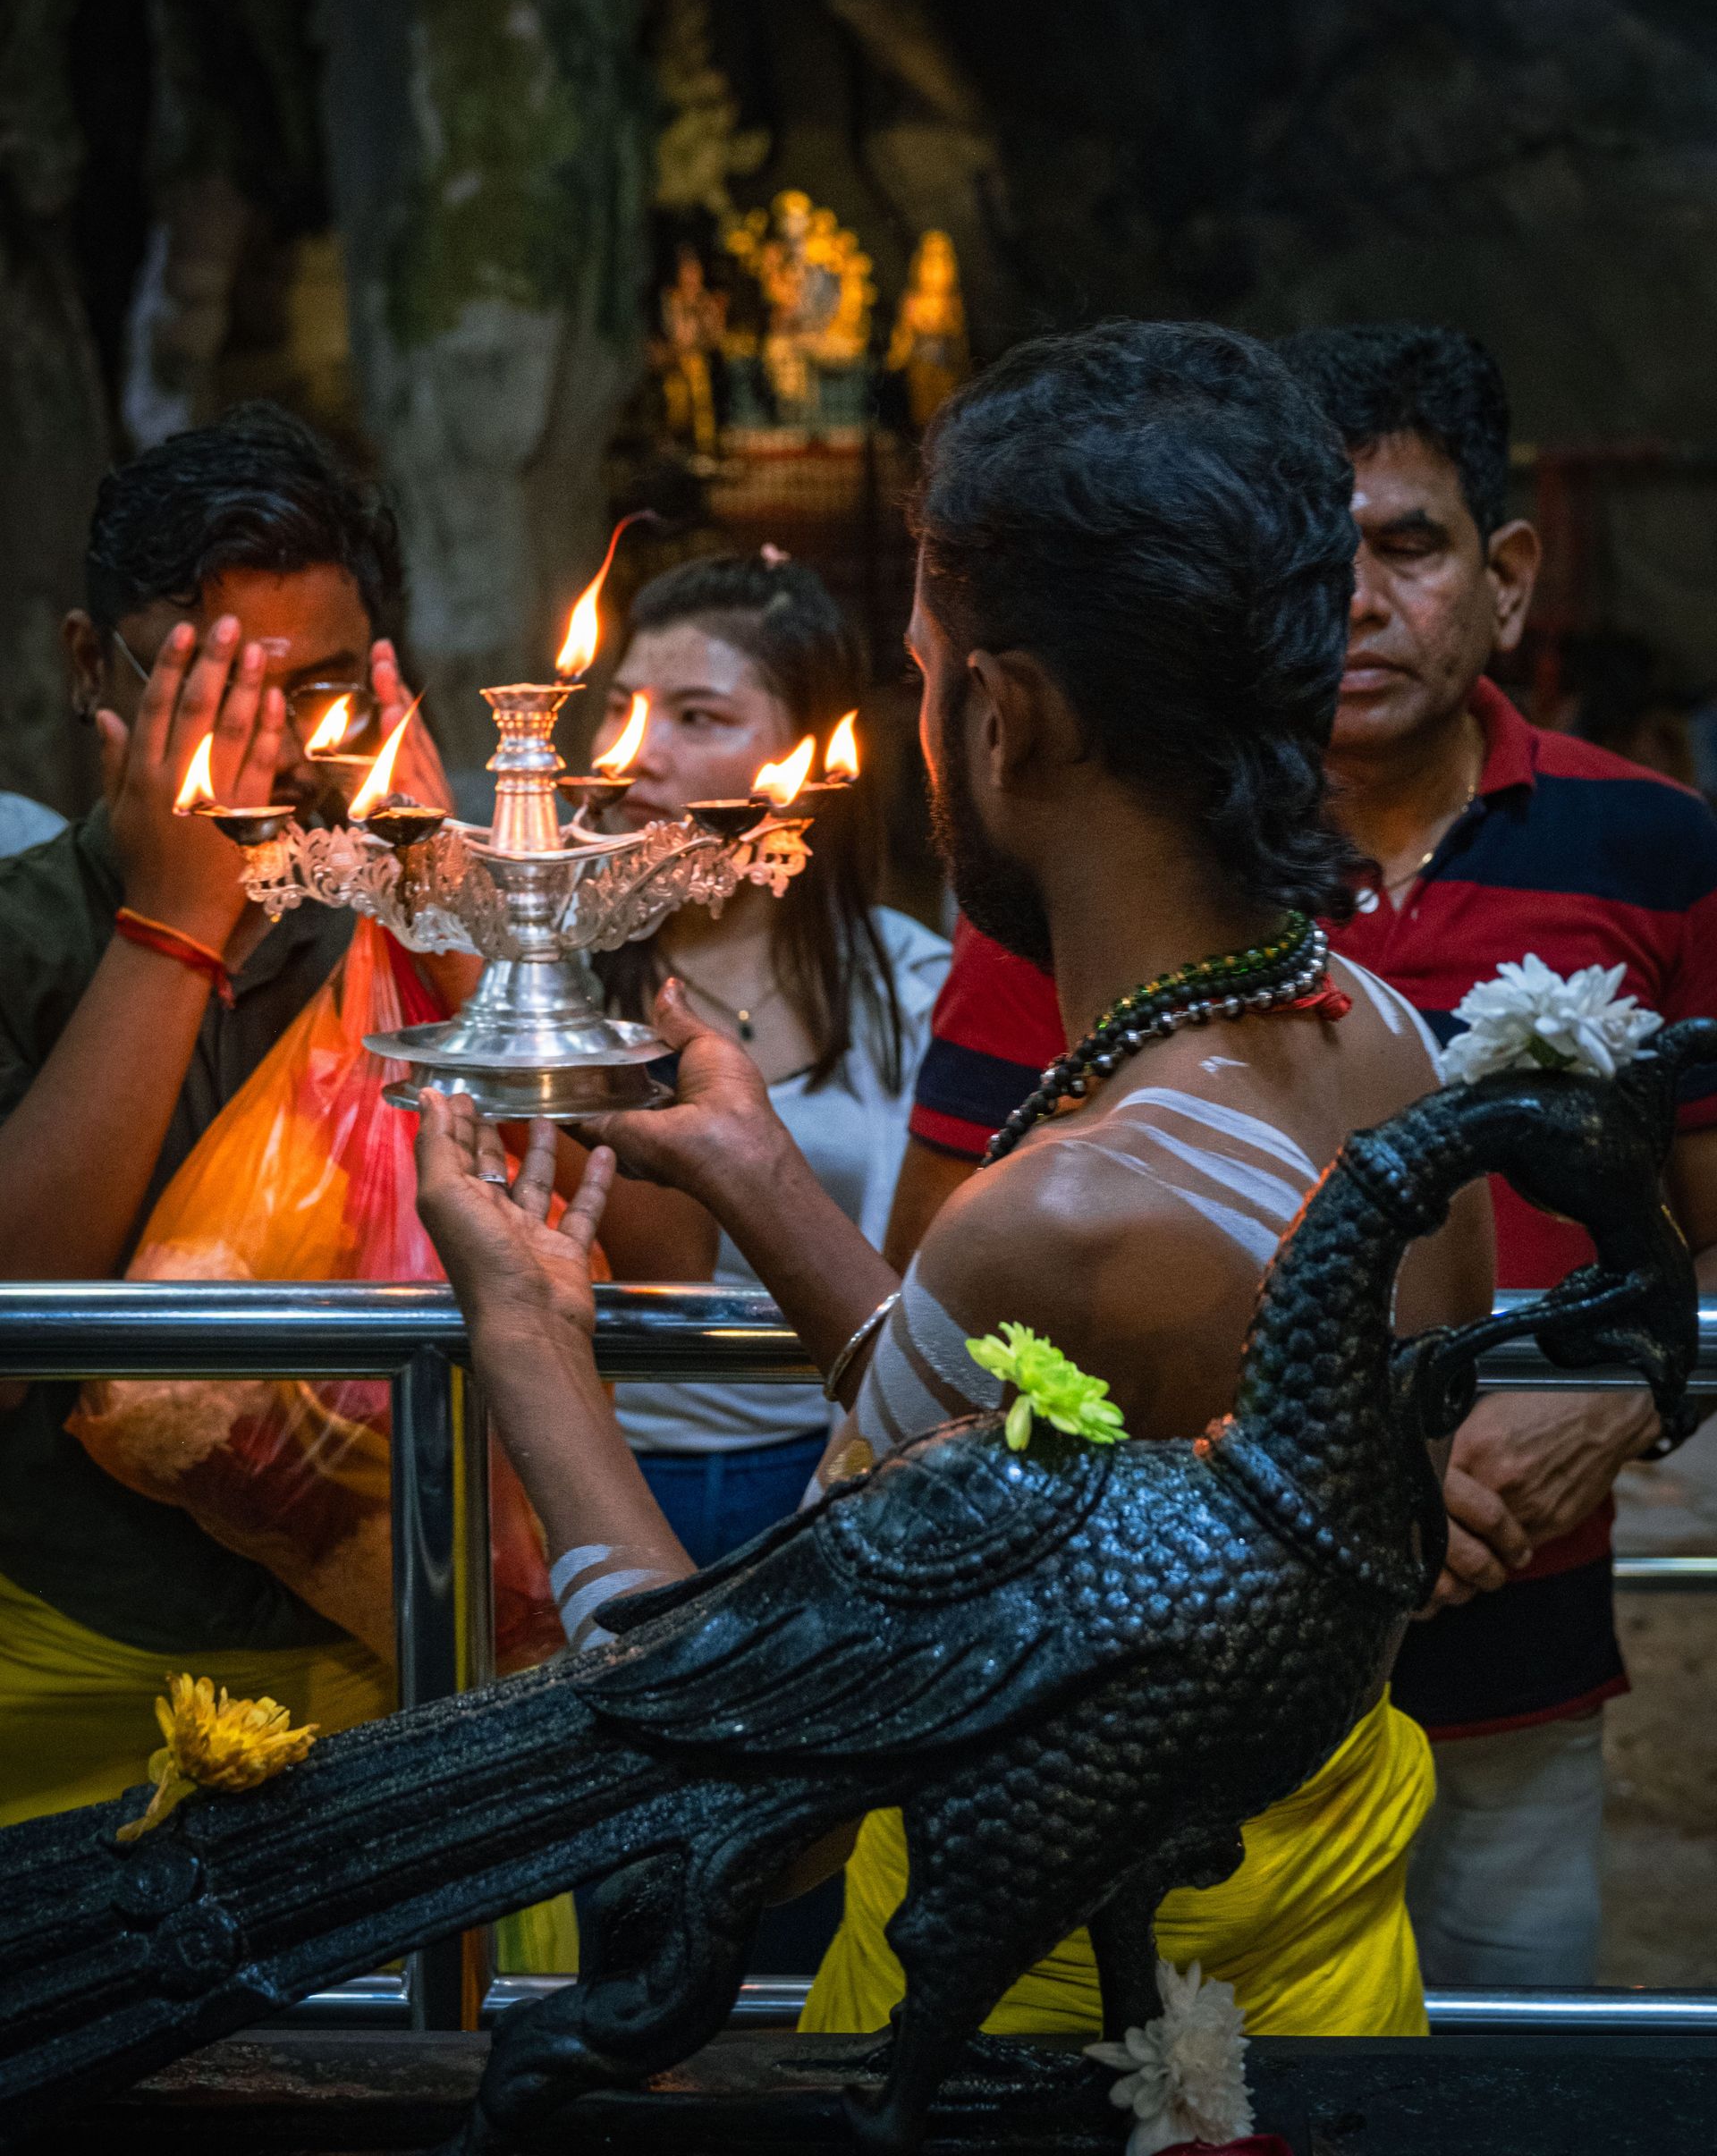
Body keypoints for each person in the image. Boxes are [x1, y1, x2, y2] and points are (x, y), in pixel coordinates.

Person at [414, 318, 1493, 2040]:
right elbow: (1043, 1460)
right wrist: (766, 1179)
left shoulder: (1075, 1212)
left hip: (1036, 2038)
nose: (922, 723)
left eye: (924, 676)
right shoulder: (1378, 1041)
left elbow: (737, 1773)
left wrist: (530, 1335)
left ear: (1004, 715)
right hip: (1329, 1991)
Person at [887, 323, 1717, 1991]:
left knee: (1519, 2050)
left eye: (1401, 549)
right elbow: (966, 1321)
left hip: (1513, 1629)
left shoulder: (1644, 849)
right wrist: (1371, 1482)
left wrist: (1600, 1405)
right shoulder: (1148, 931)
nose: (1351, 603)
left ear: (1505, 576)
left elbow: (1701, 1234)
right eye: (1314, 562)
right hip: (1186, 1719)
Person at [0, 402, 451, 1823]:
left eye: (316, 698)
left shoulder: (446, 911)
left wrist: (456, 928)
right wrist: (175, 927)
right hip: (68, 1679)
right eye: (207, 700)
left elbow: (648, 1244)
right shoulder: (26, 939)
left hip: (408, 1669)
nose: (271, 757)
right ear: (92, 669)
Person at [590, 550, 949, 1561]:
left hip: (843, 1467)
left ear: (810, 756)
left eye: (697, 718)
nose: (632, 757)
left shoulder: (914, 985)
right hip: (603, 1471)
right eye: (619, 710)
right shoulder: (551, 985)